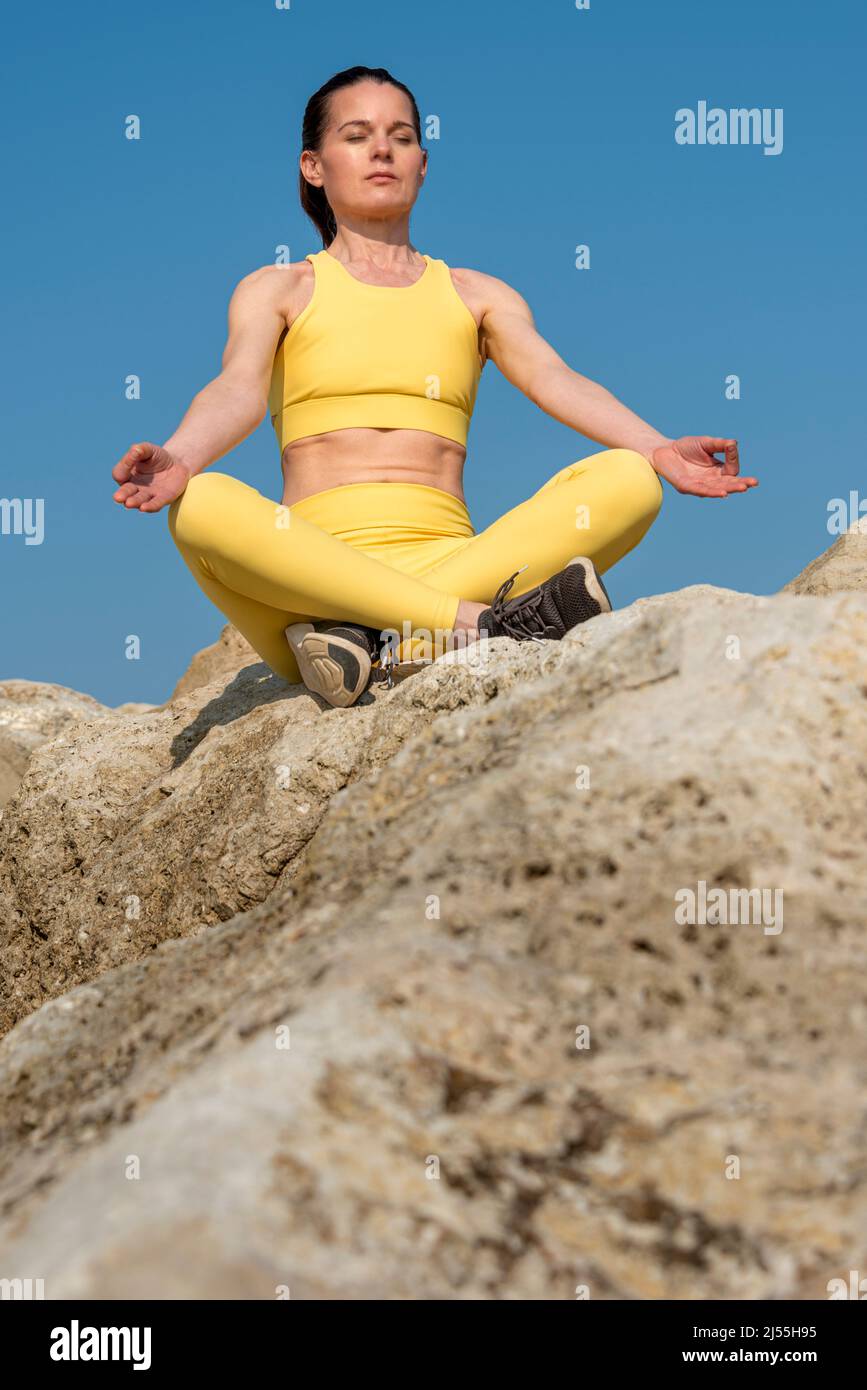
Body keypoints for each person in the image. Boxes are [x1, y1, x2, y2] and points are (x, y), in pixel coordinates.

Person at [112, 65, 757, 709]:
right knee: (199, 504)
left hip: (429, 577)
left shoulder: (475, 296)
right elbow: (237, 389)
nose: (382, 150)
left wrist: (657, 448)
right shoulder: (279, 289)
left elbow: (554, 379)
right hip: (309, 585)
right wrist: (183, 454)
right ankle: (473, 626)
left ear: (423, 162)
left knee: (629, 481)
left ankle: (392, 646)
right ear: (313, 165)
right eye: (357, 135)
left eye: (401, 136)